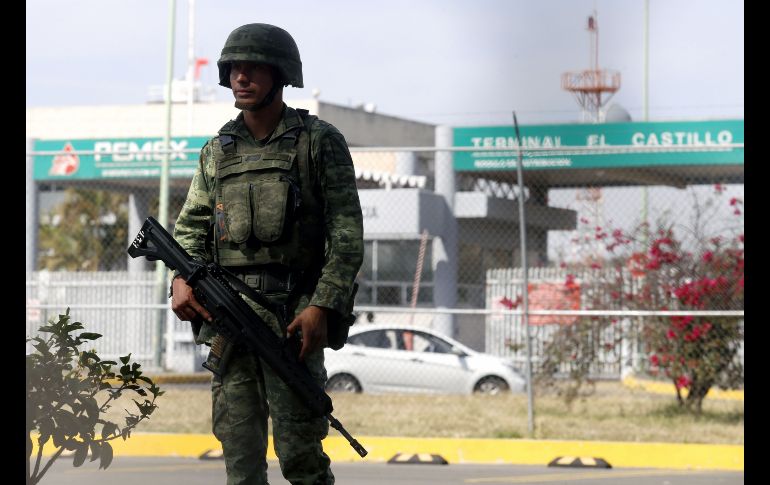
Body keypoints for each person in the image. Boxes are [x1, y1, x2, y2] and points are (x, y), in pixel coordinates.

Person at [170, 23, 364, 485]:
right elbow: (190, 230)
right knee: (240, 461)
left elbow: (347, 236)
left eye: (254, 67)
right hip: (228, 321)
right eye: (235, 68)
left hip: (292, 320)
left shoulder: (318, 141)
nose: (241, 77)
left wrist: (322, 305)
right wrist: (179, 282)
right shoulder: (217, 150)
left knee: (301, 457)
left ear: (281, 75)